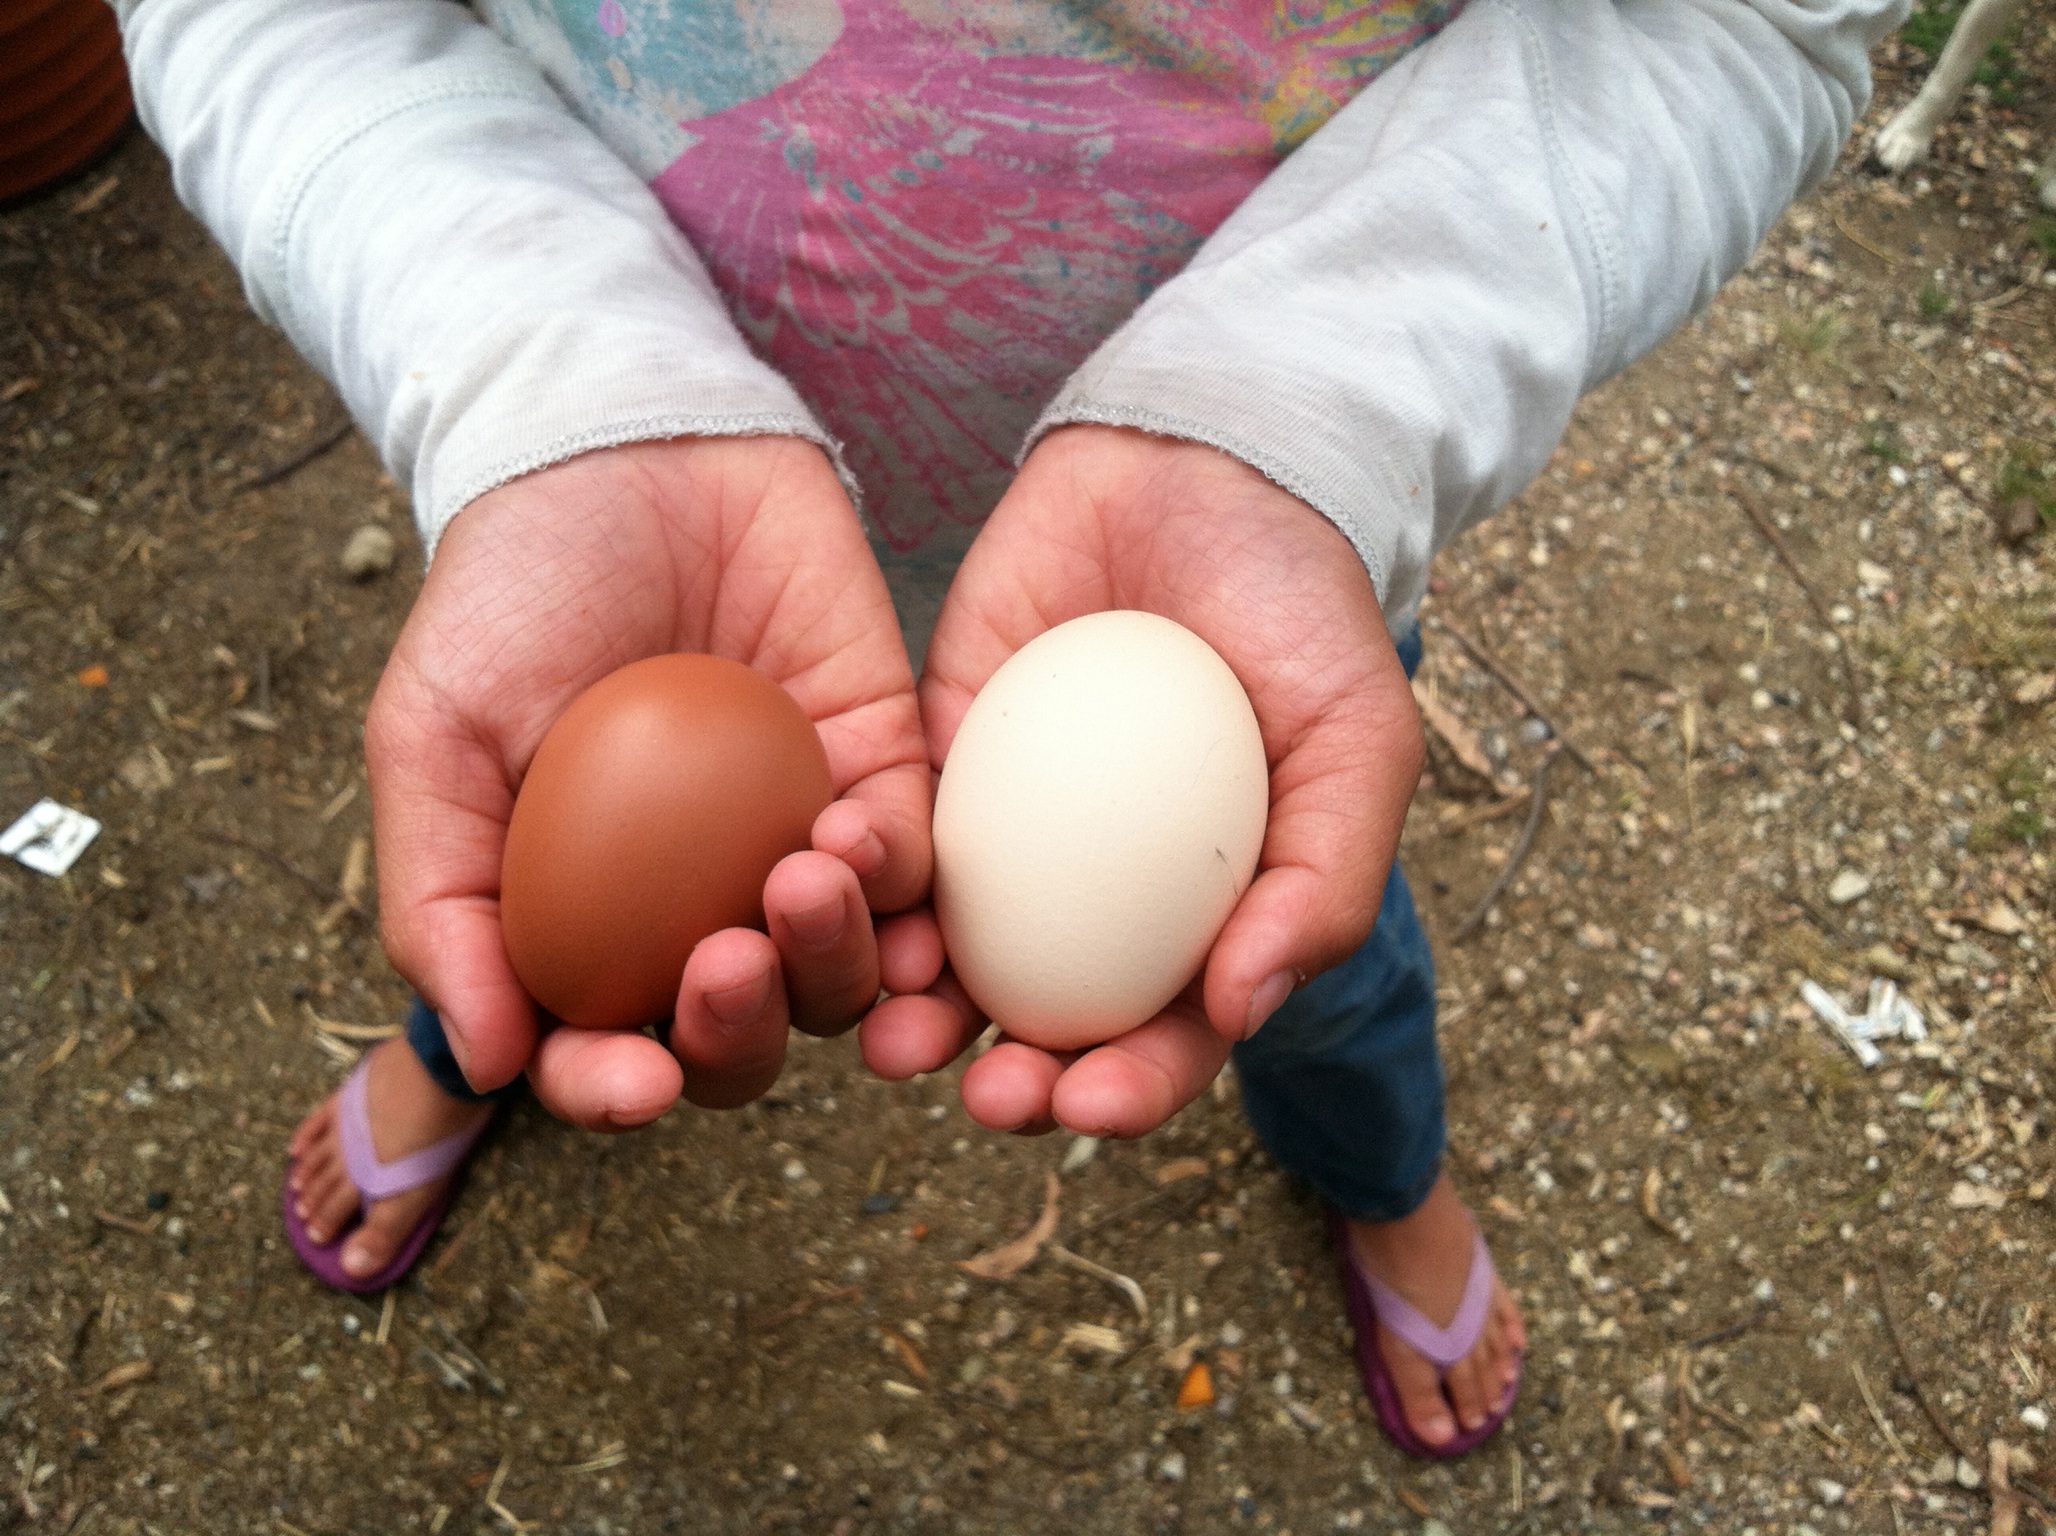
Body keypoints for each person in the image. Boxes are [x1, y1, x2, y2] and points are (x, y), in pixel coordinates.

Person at [117, 0, 1904, 1457]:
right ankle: (478, 1042)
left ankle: (1382, 1174)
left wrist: (1305, 405)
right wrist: (556, 385)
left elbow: (1737, 23)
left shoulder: (1236, 573)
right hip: (648, 553)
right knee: (549, 888)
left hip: (1241, 558)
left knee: (1300, 944)